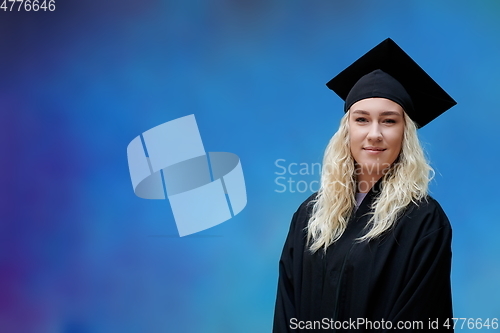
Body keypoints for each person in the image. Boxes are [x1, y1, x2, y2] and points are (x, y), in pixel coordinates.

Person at [273, 38, 456, 332]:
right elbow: (286, 311)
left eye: (388, 121)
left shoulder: (423, 221)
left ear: (405, 135)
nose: (374, 134)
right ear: (346, 132)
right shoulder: (310, 215)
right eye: (361, 119)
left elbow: (420, 320)